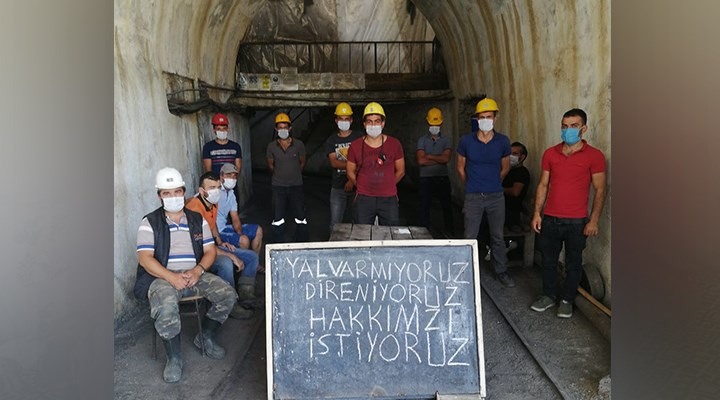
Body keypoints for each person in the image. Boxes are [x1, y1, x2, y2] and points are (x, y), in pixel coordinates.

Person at [133, 167, 236, 383]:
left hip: (194, 274)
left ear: (183, 191)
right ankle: (174, 358)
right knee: (166, 308)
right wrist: (171, 277)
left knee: (228, 294)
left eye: (177, 192)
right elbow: (145, 259)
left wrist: (198, 271)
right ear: (159, 195)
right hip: (162, 278)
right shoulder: (149, 222)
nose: (173, 197)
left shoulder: (197, 219)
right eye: (166, 193)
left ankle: (205, 336)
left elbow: (210, 251)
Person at [530, 108, 607, 319]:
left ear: (584, 128)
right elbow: (543, 185)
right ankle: (547, 296)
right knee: (549, 260)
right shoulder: (550, 153)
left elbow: (600, 189)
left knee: (574, 262)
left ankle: (567, 300)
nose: (568, 130)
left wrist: (594, 220)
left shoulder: (594, 156)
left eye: (574, 126)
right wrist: (537, 213)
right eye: (564, 126)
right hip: (551, 218)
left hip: (577, 222)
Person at [456, 97, 515, 287]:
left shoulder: (503, 141)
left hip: (496, 196)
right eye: (481, 117)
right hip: (473, 196)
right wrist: (472, 184)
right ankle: (467, 273)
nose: (485, 120)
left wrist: (493, 182)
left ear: (495, 118)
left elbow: (505, 167)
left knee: (497, 236)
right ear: (477, 119)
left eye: (488, 116)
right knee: (469, 236)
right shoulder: (466, 141)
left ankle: (502, 271)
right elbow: (460, 168)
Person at [185, 171, 259, 317]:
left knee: (252, 257)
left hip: (211, 246)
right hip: (198, 254)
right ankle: (231, 304)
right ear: (201, 191)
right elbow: (201, 246)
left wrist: (220, 241)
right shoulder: (193, 209)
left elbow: (212, 225)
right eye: (212, 187)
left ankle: (246, 296)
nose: (216, 191)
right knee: (225, 262)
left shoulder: (212, 203)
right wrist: (230, 255)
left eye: (218, 187)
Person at [346, 102, 405, 226]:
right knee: (361, 234)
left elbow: (401, 171)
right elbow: (350, 171)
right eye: (369, 121)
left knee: (390, 234)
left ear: (383, 123)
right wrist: (361, 185)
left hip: (388, 198)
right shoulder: (355, 146)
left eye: (377, 121)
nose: (373, 125)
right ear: (364, 124)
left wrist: (388, 184)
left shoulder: (395, 144)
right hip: (363, 198)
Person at [266, 112, 308, 242]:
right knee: (278, 217)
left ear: (290, 129)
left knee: (300, 216)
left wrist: (293, 174)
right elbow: (271, 166)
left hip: (296, 185)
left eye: (285, 127)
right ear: (276, 129)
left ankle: (301, 241)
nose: (283, 130)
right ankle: (278, 243)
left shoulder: (299, 145)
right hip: (278, 187)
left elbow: (302, 162)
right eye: (280, 128)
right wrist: (281, 175)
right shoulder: (271, 146)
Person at [216, 163, 266, 274]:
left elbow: (235, 217)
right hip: (217, 231)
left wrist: (239, 233)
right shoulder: (215, 192)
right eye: (229, 175)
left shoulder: (231, 194)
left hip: (225, 227)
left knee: (258, 230)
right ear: (221, 176)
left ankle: (254, 264)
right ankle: (245, 269)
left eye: (234, 176)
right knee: (244, 240)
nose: (232, 179)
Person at [324, 102, 363, 232]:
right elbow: (334, 162)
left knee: (358, 222)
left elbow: (363, 161)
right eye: (341, 119)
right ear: (336, 121)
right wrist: (353, 167)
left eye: (347, 119)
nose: (344, 122)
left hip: (358, 186)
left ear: (351, 120)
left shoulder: (359, 137)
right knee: (335, 223)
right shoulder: (331, 140)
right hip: (337, 187)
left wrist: (351, 180)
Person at [416, 107, 454, 236]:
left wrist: (429, 156)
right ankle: (422, 232)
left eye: (437, 124)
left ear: (441, 124)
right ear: (428, 123)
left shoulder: (446, 140)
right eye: (432, 124)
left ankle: (450, 231)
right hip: (425, 179)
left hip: (442, 177)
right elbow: (421, 161)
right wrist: (439, 158)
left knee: (447, 206)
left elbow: (446, 158)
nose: (434, 127)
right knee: (424, 206)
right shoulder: (422, 140)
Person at [503, 141, 531, 231]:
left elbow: (515, 192)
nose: (511, 156)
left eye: (514, 154)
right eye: (509, 153)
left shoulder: (521, 172)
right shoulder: (508, 170)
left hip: (512, 212)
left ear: (522, 157)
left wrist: (498, 189)